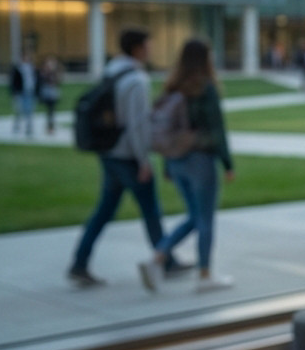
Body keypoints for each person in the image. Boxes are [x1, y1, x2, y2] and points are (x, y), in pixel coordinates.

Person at [68, 28, 175, 287]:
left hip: (109, 151)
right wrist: (144, 160)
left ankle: (79, 263)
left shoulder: (112, 70)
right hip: (128, 155)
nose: (151, 49)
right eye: (148, 44)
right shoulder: (137, 80)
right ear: (138, 48)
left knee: (104, 210)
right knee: (150, 210)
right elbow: (137, 125)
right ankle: (166, 260)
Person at [137, 38, 236, 293]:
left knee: (194, 216)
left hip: (176, 160)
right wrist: (227, 163)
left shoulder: (172, 87)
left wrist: (168, 165)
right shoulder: (204, 88)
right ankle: (205, 274)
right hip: (200, 159)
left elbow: (166, 131)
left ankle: (158, 257)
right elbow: (217, 129)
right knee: (205, 219)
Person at [8, 50, 36, 138]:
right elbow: (13, 82)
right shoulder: (17, 68)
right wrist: (14, 92)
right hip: (20, 92)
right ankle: (16, 126)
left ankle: (29, 127)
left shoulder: (31, 67)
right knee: (18, 110)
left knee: (29, 110)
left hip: (29, 91)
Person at [36, 55, 62, 134]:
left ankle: (50, 127)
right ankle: (49, 127)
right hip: (46, 93)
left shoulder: (54, 73)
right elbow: (41, 82)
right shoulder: (43, 72)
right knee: (49, 111)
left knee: (51, 111)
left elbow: (57, 82)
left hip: (52, 93)